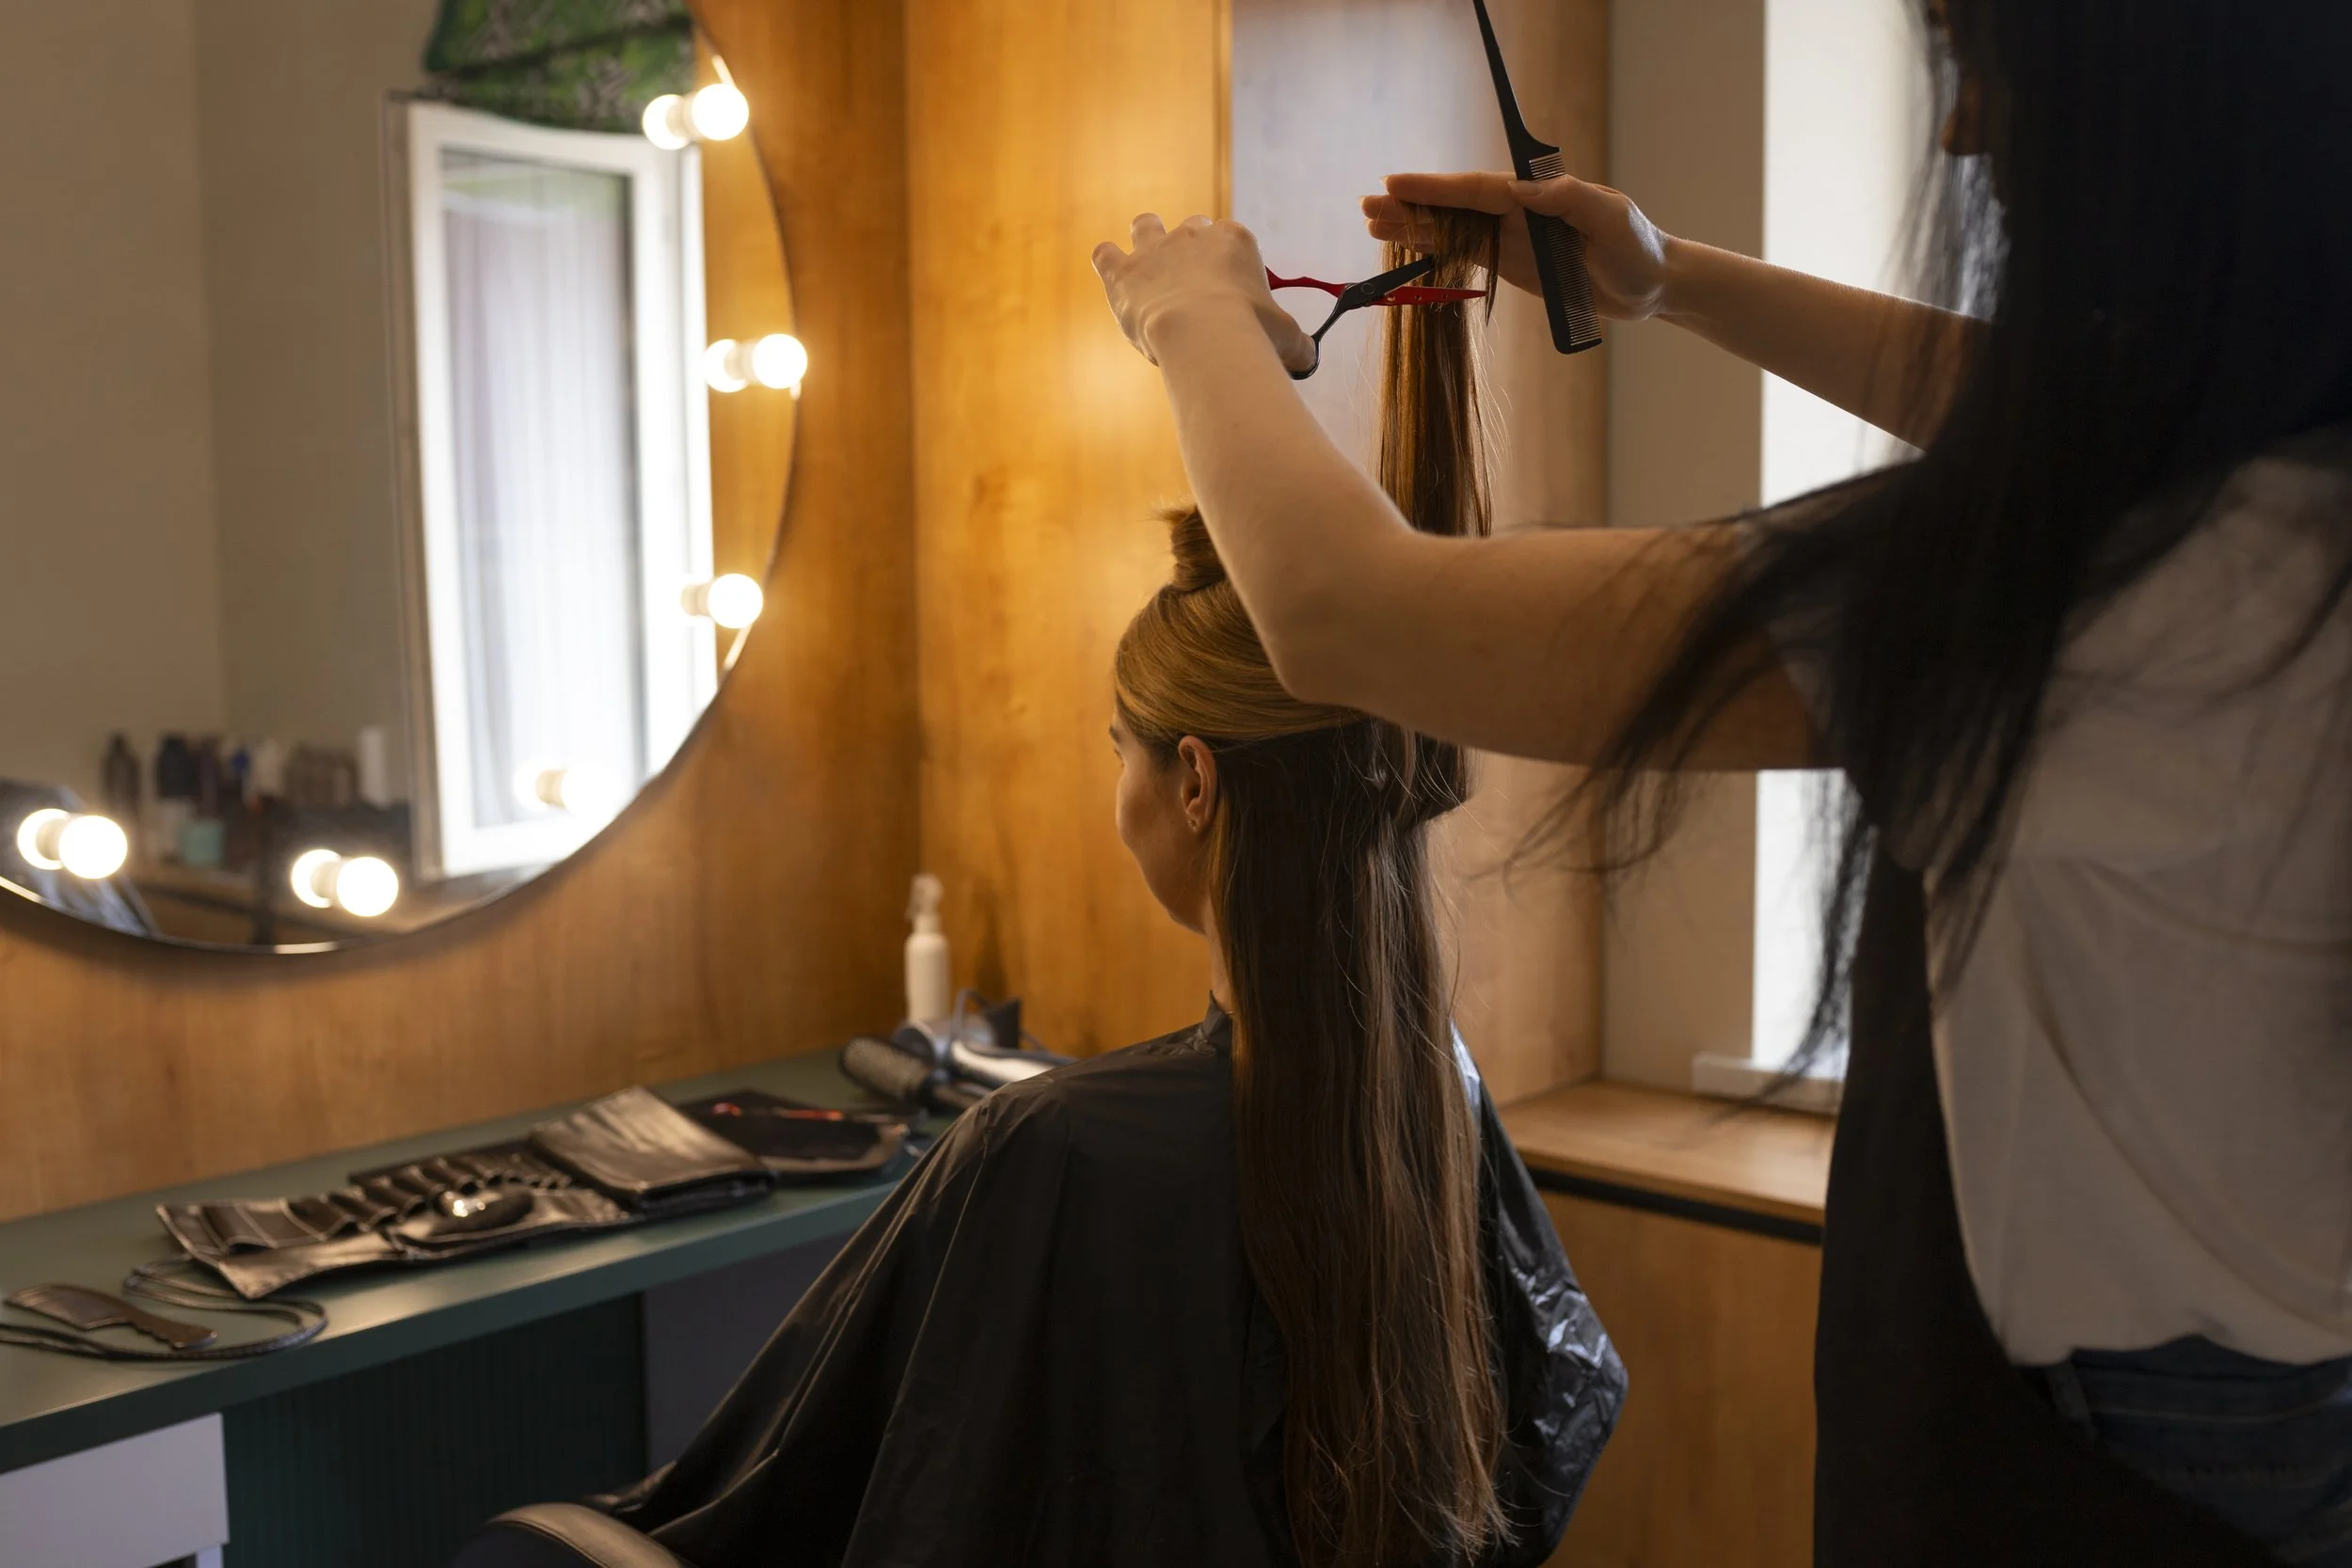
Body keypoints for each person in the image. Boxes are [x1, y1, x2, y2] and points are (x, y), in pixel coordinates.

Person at [1090, 1, 2352, 1563]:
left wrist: (1190, 316)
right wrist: (1672, 278)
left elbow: (1348, 615)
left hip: (2120, 1449)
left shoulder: (2118, 593)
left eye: (1981, 72)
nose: (1960, 132)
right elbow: (2056, 419)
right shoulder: (2285, 475)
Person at [586, 246, 1626, 1566]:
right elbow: (1558, 1418)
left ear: (1193, 781)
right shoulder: (1433, 1090)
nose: (1115, 780)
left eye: (1117, 744)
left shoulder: (1051, 1145)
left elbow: (780, 1508)